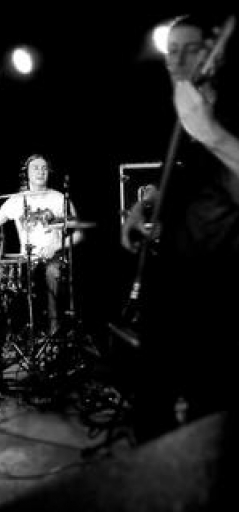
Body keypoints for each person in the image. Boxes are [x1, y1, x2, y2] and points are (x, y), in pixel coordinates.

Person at [121, 14, 239, 444]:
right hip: (172, 281)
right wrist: (144, 203)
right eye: (171, 52)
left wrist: (210, 132)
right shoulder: (183, 110)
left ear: (213, 53)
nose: (178, 61)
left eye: (190, 50)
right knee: (151, 411)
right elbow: (186, 175)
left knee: (210, 418)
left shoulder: (223, 111)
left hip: (218, 293)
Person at [0, 154, 83, 336]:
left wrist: (57, 246)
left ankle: (54, 328)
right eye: (35, 168)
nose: (40, 171)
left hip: (54, 257)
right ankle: (16, 333)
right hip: (26, 260)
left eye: (44, 168)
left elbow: (80, 233)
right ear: (27, 173)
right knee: (7, 283)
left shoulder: (59, 198)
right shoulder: (16, 200)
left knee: (53, 272)